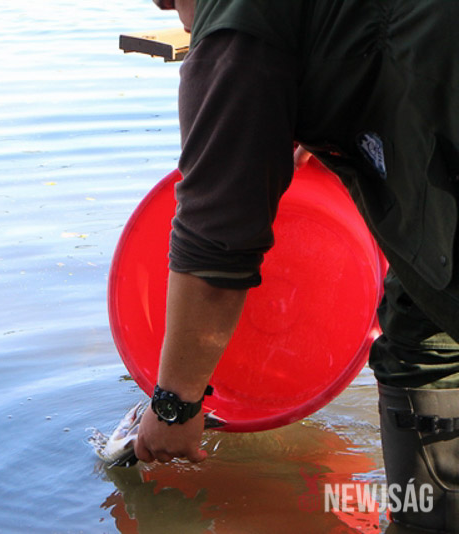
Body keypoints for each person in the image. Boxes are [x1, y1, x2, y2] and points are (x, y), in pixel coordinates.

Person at [133, 0, 459, 531]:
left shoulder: (234, 29)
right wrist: (313, 108)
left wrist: (175, 405)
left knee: (429, 325)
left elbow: (215, 243)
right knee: (421, 320)